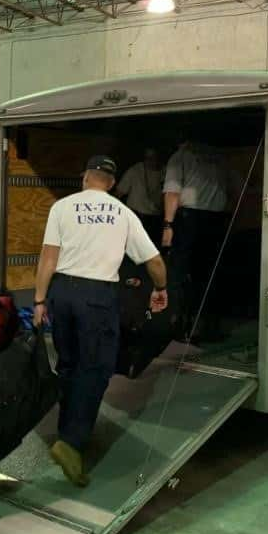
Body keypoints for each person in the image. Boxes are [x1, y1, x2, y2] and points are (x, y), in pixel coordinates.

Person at [33, 156, 168, 487]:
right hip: (97, 296)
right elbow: (154, 260)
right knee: (95, 369)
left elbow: (48, 258)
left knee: (68, 363)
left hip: (61, 292)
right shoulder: (123, 214)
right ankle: (72, 443)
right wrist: (161, 289)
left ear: (85, 178)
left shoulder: (62, 208)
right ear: (111, 183)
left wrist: (39, 300)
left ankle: (66, 431)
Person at [161, 141, 229, 340]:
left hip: (189, 219)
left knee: (181, 274)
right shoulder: (219, 156)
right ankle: (210, 326)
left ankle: (181, 327)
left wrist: (167, 225)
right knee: (210, 273)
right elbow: (237, 187)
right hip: (216, 218)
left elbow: (172, 192)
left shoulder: (180, 156)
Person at [115, 148, 164, 246]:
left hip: (156, 219)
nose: (151, 161)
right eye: (148, 158)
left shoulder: (165, 171)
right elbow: (120, 192)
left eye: (154, 158)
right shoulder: (135, 170)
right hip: (136, 217)